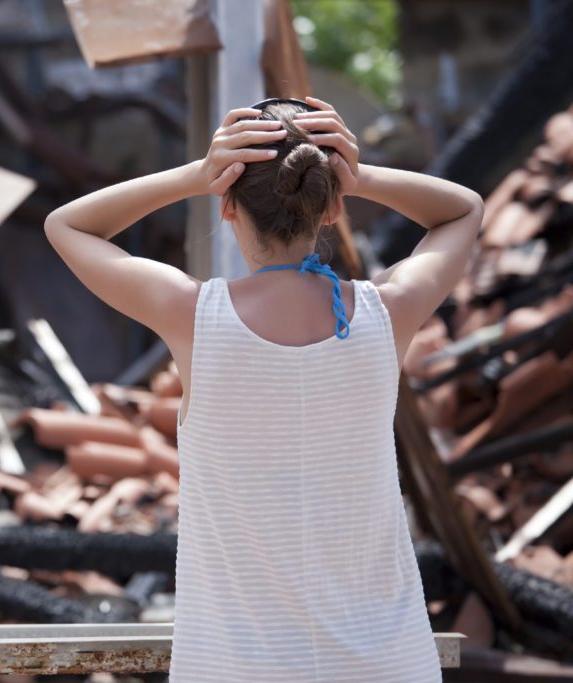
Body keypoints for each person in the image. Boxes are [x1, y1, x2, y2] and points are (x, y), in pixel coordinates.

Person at [44, 95, 483, 682]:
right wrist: (362, 175)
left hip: (234, 668)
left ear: (227, 205)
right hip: (387, 662)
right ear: (330, 206)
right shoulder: (387, 312)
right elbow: (463, 210)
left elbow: (66, 224)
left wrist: (193, 175)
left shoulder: (192, 316)